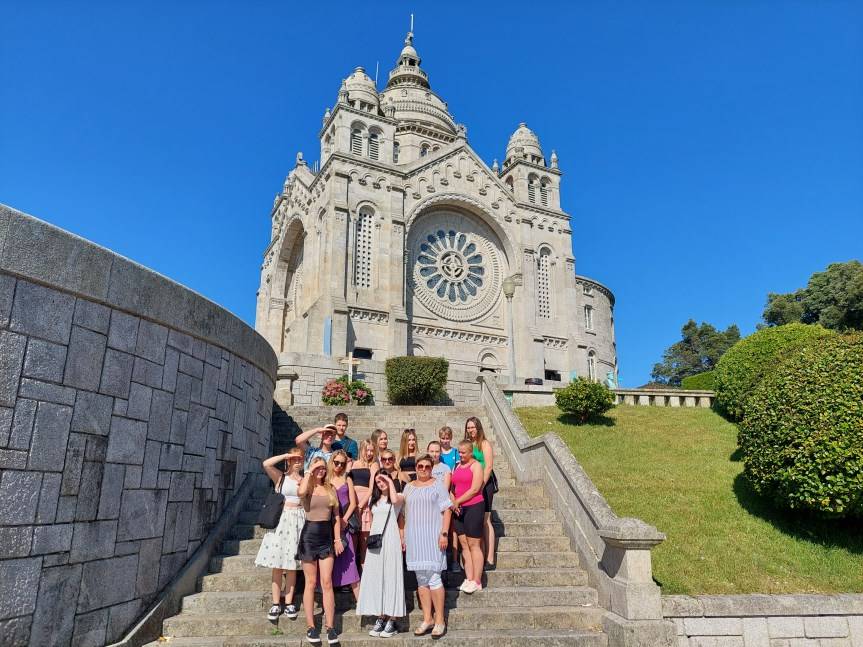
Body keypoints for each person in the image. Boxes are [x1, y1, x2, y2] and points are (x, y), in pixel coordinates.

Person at [403, 454, 452, 638]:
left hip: (433, 537)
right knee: (421, 580)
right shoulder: (408, 487)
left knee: (434, 579)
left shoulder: (437, 484)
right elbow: (403, 513)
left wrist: (444, 533)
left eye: (427, 466)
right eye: (420, 466)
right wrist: (403, 535)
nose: (423, 469)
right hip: (414, 538)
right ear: (416, 467)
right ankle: (427, 618)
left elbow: (447, 509)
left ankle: (440, 620)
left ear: (432, 468)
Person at [297, 457, 344, 645]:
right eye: (318, 467)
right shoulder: (306, 486)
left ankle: (330, 627)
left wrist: (338, 538)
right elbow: (300, 492)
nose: (321, 470)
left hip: (326, 537)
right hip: (309, 536)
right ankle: (310, 626)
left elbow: (337, 516)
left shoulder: (330, 488)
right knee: (311, 582)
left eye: (324, 468)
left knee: (326, 582)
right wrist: (310, 470)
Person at [255, 447, 305, 621]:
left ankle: (289, 602)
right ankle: (276, 603)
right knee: (278, 564)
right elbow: (266, 464)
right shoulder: (281, 477)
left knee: (292, 565)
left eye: (300, 459)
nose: (298, 462)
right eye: (295, 459)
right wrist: (286, 455)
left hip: (298, 519)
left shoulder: (304, 479)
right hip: (282, 521)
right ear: (290, 460)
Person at [356, 471, 405, 639]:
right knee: (378, 578)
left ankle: (392, 618)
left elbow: (397, 500)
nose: (381, 483)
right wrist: (372, 486)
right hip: (375, 541)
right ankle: (381, 616)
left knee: (392, 577)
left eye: (383, 480)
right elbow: (360, 506)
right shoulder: (373, 500)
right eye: (378, 481)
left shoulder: (398, 496)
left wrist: (389, 481)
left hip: (391, 539)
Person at [450, 440, 485, 593]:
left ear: (471, 452)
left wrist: (458, 501)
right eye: (459, 452)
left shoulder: (476, 466)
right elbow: (452, 487)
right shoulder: (457, 466)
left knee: (474, 544)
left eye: (464, 452)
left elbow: (475, 488)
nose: (461, 455)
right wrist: (453, 502)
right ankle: (469, 577)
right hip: (459, 509)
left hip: (474, 506)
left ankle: (477, 580)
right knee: (464, 544)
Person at [328, 450, 361, 600]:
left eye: (342, 463)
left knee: (350, 561)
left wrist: (344, 520)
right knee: (329, 563)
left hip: (345, 524)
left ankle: (361, 603)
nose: (339, 466)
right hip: (328, 524)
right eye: (337, 462)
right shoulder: (325, 478)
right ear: (332, 461)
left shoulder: (347, 478)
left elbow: (353, 502)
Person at [465, 416, 497, 570]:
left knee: (486, 520)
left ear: (478, 428)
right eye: (468, 427)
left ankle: (490, 558)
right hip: (471, 487)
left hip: (485, 485)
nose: (471, 430)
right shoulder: (468, 445)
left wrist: (480, 486)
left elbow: (489, 466)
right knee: (476, 522)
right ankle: (481, 556)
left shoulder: (484, 444)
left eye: (473, 427)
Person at [348, 439, 378, 568]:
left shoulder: (374, 465)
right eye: (367, 450)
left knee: (364, 544)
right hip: (351, 502)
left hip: (364, 504)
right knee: (352, 543)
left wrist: (360, 506)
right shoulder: (353, 464)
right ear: (361, 449)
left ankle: (365, 576)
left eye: (372, 450)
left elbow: (372, 488)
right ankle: (352, 578)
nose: (370, 453)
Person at [427, 440, 456, 573]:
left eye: (437, 451)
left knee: (440, 538)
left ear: (440, 452)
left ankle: (442, 570)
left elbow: (445, 489)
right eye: (432, 451)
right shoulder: (425, 467)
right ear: (428, 452)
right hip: (427, 508)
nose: (434, 454)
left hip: (440, 507)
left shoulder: (445, 468)